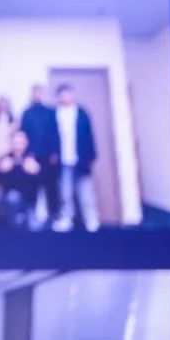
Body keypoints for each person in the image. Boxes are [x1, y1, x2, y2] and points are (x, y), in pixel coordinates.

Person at [51, 83, 100, 232]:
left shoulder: (82, 113)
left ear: (72, 94)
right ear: (58, 96)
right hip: (62, 161)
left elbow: (89, 135)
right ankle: (66, 219)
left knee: (85, 192)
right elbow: (50, 137)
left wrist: (91, 156)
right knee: (64, 193)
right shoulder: (54, 114)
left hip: (81, 160)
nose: (65, 96)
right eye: (62, 94)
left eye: (68, 93)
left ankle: (91, 220)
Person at [20, 84, 59, 228]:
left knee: (51, 188)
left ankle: (53, 217)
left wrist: (55, 152)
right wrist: (26, 155)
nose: (37, 95)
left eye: (39, 92)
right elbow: (23, 134)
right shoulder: (27, 113)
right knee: (32, 188)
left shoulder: (50, 112)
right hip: (32, 157)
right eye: (35, 93)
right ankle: (33, 218)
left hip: (49, 158)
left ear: (43, 94)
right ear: (32, 94)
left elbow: (55, 133)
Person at [0, 130, 42, 229]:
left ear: (26, 143)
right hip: (8, 202)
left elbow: (43, 183)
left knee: (34, 227)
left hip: (30, 201)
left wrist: (37, 172)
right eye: (15, 143)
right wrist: (0, 170)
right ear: (11, 143)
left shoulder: (33, 159)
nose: (18, 147)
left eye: (21, 143)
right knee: (13, 197)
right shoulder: (4, 159)